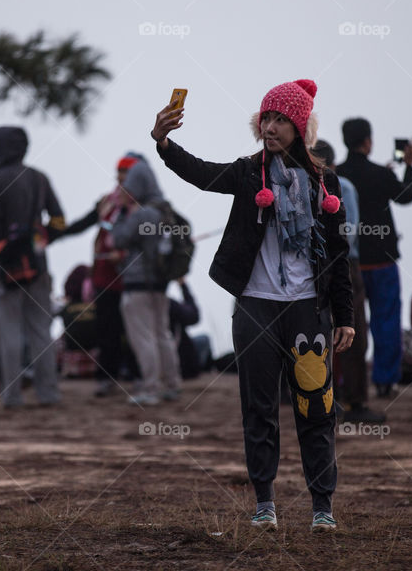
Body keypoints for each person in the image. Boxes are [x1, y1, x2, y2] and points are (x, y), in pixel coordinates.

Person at [152, 78, 354, 533]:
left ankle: (323, 507)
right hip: (255, 310)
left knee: (317, 410)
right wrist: (163, 141)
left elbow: (339, 255)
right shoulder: (247, 173)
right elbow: (202, 174)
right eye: (266, 117)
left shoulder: (327, 183)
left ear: (300, 127)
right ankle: (265, 503)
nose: (271, 126)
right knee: (258, 410)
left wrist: (346, 317)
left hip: (308, 309)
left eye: (282, 119)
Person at [0, 126, 66, 408]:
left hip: (7, 271)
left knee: (10, 336)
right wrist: (40, 243)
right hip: (39, 268)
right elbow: (58, 219)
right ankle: (48, 394)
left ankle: (13, 397)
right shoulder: (39, 178)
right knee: (41, 331)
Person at [336, 117, 412, 398]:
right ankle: (384, 380)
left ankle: (348, 380)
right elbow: (406, 196)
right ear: (368, 141)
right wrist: (408, 166)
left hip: (348, 262)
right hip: (382, 259)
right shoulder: (380, 174)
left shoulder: (337, 174)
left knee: (348, 324)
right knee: (386, 321)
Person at [58, 154, 142, 396]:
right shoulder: (107, 202)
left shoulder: (144, 205)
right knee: (107, 330)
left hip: (132, 279)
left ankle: (138, 376)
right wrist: (54, 234)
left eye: (126, 172)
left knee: (133, 330)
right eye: (119, 172)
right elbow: (83, 224)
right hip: (105, 278)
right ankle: (108, 378)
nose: (121, 177)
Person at [311, 139, 382, 423]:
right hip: (344, 265)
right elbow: (348, 232)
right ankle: (355, 402)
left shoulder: (302, 184)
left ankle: (326, 397)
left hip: (313, 266)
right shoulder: (344, 186)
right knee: (352, 331)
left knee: (320, 332)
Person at [111, 160, 183, 405]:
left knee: (143, 337)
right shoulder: (164, 210)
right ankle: (171, 385)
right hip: (160, 283)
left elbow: (117, 239)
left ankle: (150, 388)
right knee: (162, 334)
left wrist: (121, 212)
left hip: (138, 284)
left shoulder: (142, 213)